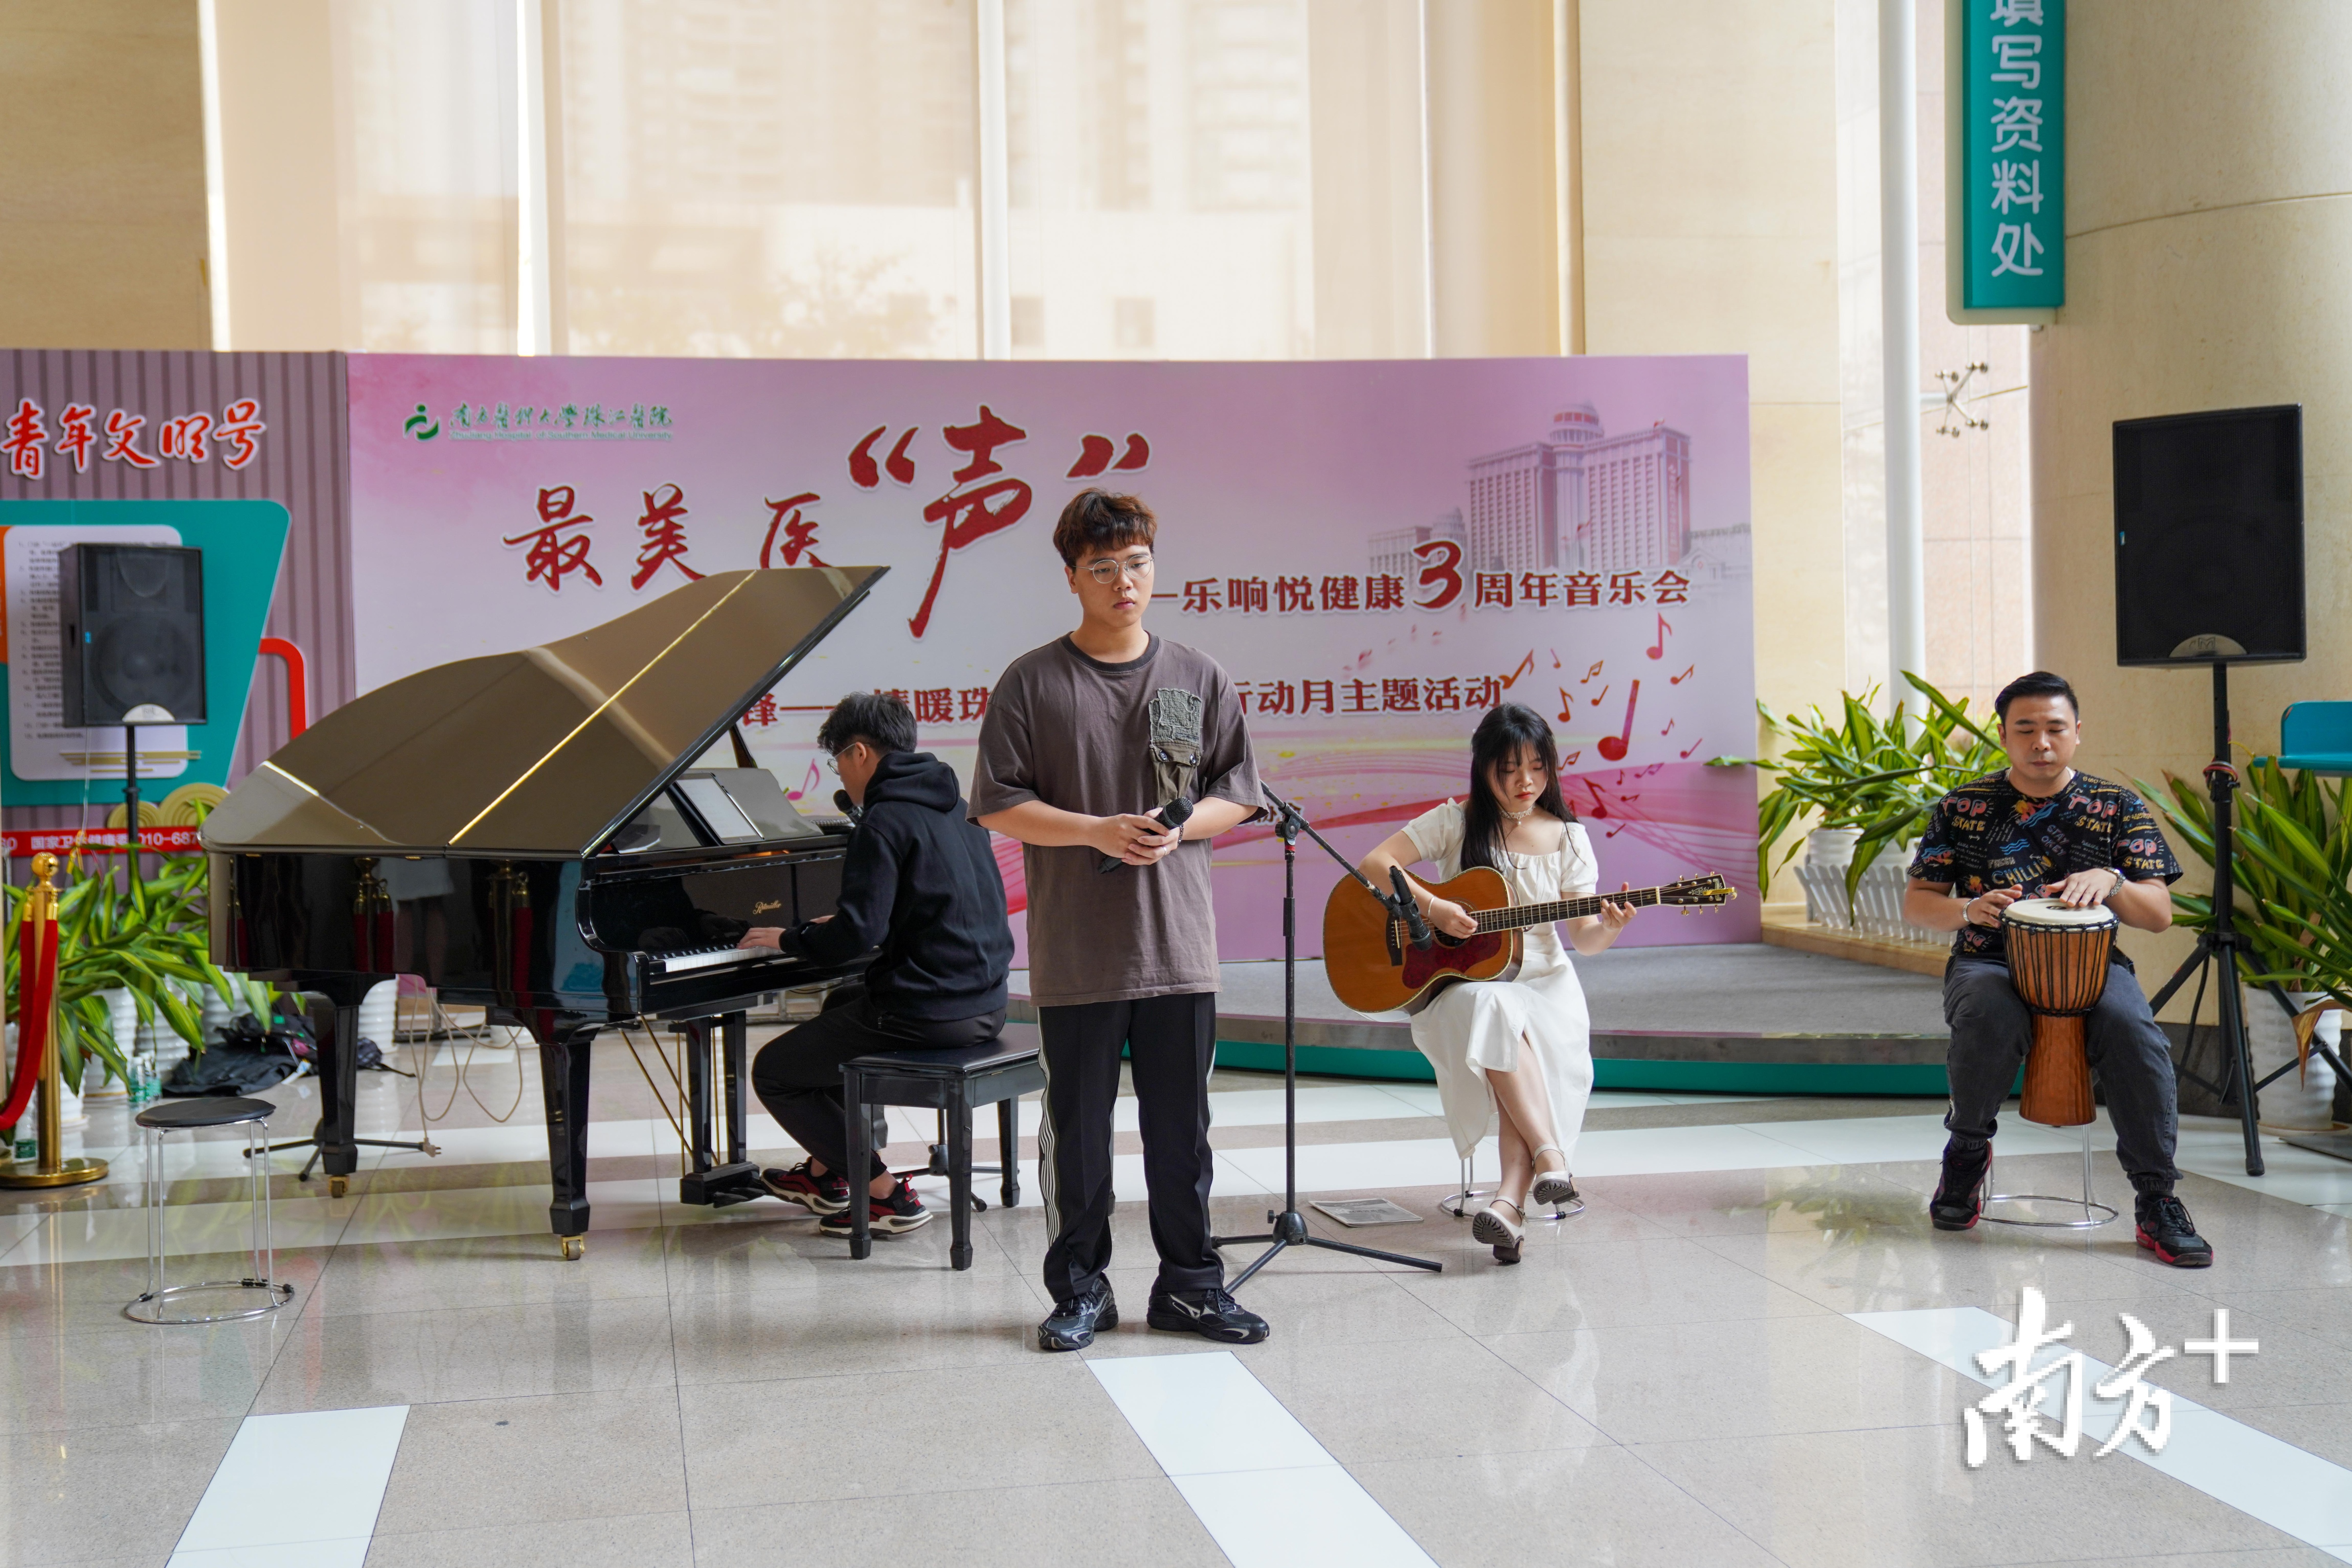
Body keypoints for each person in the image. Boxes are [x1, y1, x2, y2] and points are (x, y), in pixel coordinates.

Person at [972, 488, 1269, 1352]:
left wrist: (1178, 828)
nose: (1124, 582)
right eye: (1102, 568)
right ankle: (1081, 1290)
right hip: (1080, 953)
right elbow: (998, 803)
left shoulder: (1198, 675)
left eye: (1136, 563)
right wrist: (1096, 830)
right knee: (1080, 1138)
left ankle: (1190, 1287)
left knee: (1183, 1134)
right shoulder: (1032, 682)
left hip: (1179, 948)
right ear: (1072, 577)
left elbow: (1237, 791)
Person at [1903, 669, 2213, 1266]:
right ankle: (1966, 1153)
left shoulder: (2116, 805)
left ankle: (2157, 1198)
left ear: (2077, 732)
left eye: (2055, 728)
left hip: (2092, 964)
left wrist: (2114, 879)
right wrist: (1968, 909)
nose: (2041, 743)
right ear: (2003, 735)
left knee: (2135, 1032)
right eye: (2025, 729)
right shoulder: (1963, 805)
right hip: (1988, 959)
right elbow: (1919, 903)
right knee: (1988, 1014)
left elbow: (2158, 916)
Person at [1355, 703, 1637, 1263]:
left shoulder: (1569, 837)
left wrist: (1609, 926)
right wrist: (1434, 908)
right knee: (1497, 1007)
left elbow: (1583, 940)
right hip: (1465, 984)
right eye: (1510, 770)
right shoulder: (1456, 822)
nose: (1526, 781)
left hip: (1548, 984)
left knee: (1513, 1028)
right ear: (1483, 769)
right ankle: (1549, 1157)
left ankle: (1509, 1204)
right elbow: (1376, 862)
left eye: (1538, 767)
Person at [739, 691, 1014, 1240]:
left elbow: (857, 937)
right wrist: (848, 922)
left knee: (775, 1072)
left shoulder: (883, 820)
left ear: (860, 752)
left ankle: (886, 1195)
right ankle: (826, 1173)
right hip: (985, 1001)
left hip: (929, 1011)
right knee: (842, 1004)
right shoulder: (958, 809)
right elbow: (932, 907)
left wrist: (792, 938)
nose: (841, 772)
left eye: (838, 760)